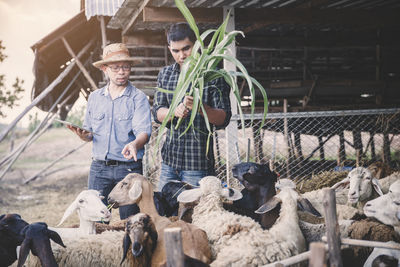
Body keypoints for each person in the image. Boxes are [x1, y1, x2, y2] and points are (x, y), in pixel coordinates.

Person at [67, 43, 152, 219]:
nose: (121, 72)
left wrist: (135, 144)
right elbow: (89, 132)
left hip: (128, 169)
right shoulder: (94, 98)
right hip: (99, 169)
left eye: (125, 67)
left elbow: (144, 131)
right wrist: (84, 136)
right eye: (115, 68)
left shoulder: (138, 98)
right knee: (96, 219)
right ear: (105, 69)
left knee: (130, 222)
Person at [153, 23, 232, 190]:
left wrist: (201, 107)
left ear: (196, 44)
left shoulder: (213, 75)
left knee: (196, 213)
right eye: (175, 50)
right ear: (169, 48)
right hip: (169, 162)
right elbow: (157, 112)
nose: (181, 55)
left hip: (197, 164)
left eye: (186, 48)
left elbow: (223, 118)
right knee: (165, 211)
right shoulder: (165, 74)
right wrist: (174, 111)